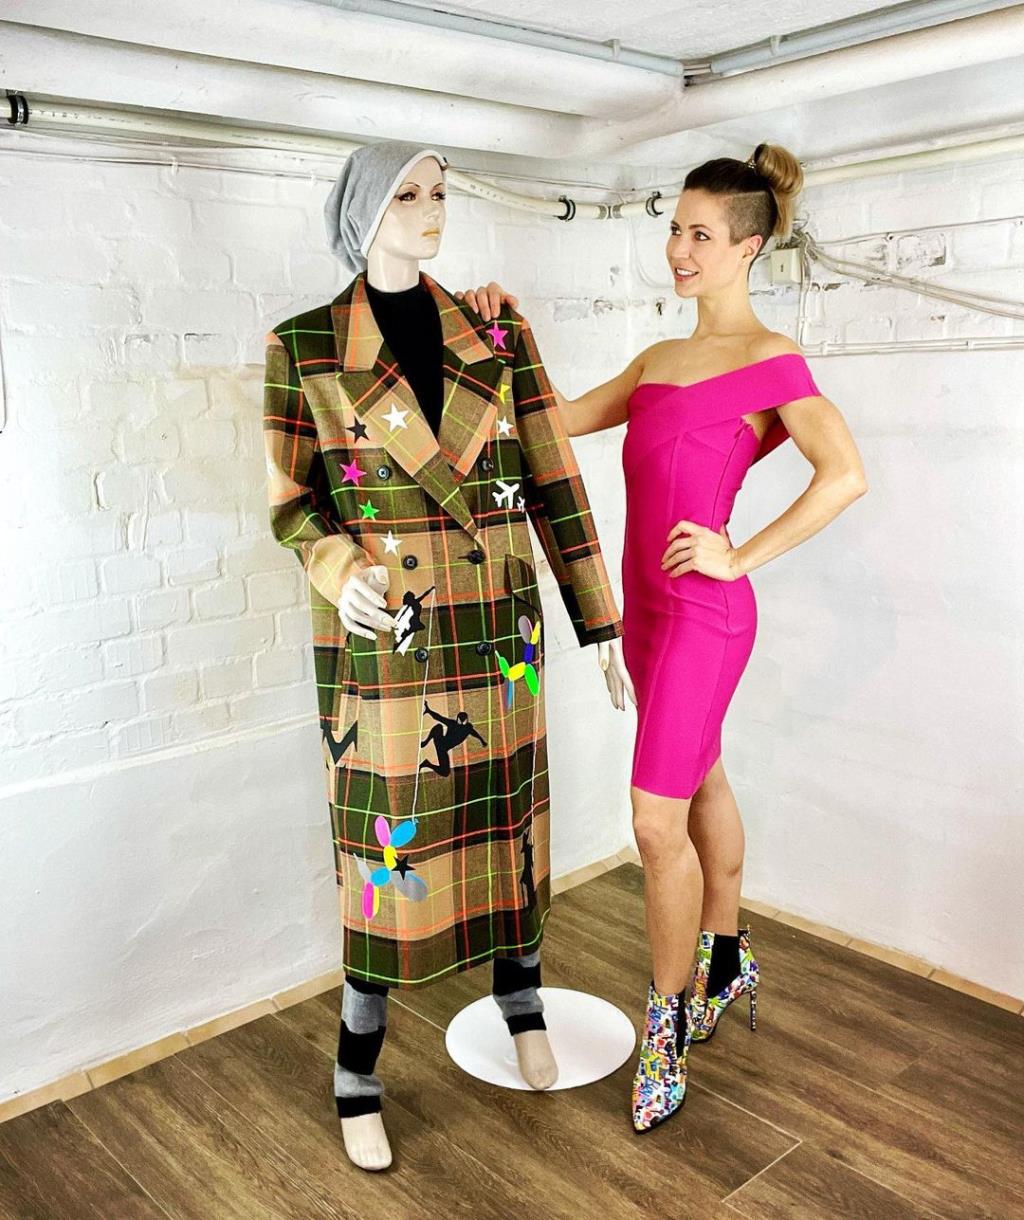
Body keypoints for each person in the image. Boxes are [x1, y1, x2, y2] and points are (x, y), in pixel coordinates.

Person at [458, 141, 868, 1131]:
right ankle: (725, 960)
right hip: (643, 613)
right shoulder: (656, 361)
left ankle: (667, 1023)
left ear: (748, 246)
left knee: (653, 822)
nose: (678, 250)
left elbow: (845, 474)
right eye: (675, 230)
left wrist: (739, 553)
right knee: (701, 781)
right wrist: (509, 336)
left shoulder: (771, 361)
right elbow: (553, 422)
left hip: (704, 614)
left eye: (699, 234)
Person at [262, 140, 625, 1169]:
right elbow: (291, 504)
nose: (431, 212)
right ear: (362, 215)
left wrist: (599, 621)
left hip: (497, 637)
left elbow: (554, 477)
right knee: (389, 856)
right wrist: (339, 566)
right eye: (407, 196)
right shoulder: (306, 347)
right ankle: (357, 1069)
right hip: (391, 643)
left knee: (509, 829)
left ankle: (523, 1004)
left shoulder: (497, 330)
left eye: (439, 193)